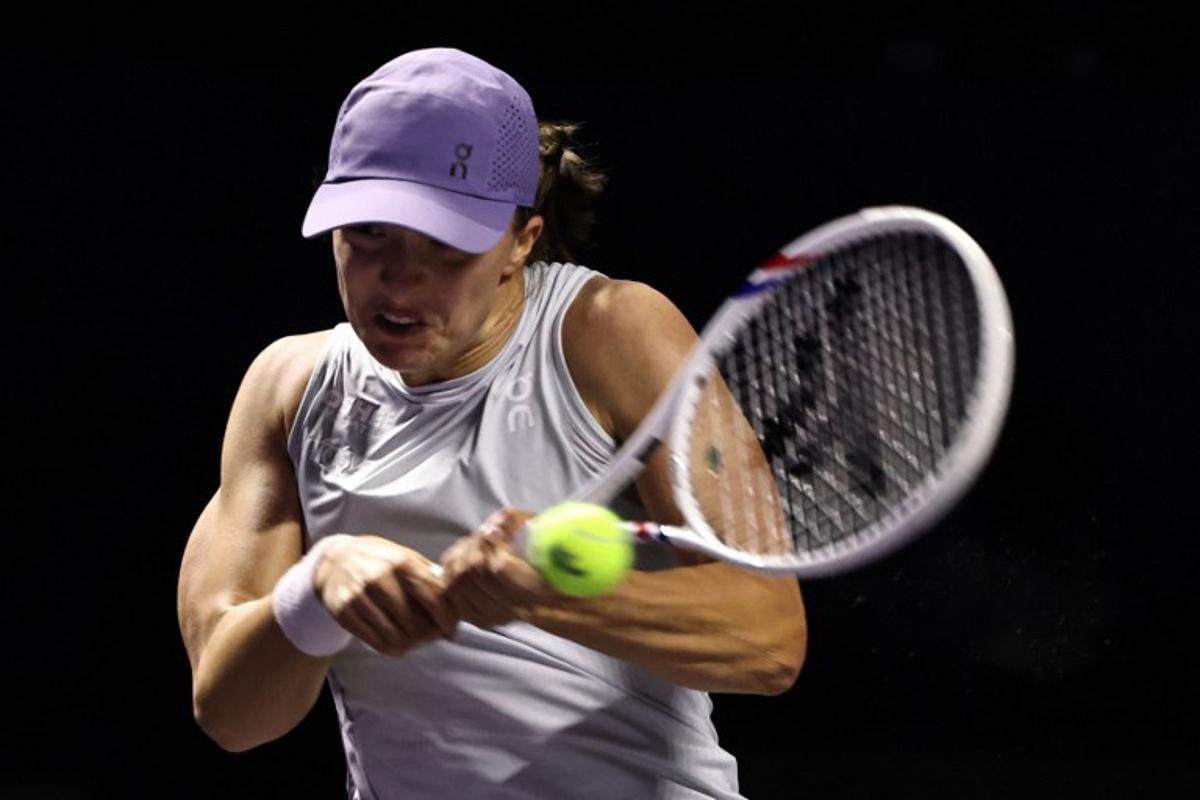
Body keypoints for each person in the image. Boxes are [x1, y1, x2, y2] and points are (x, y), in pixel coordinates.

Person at [177, 47, 806, 799]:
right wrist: (315, 589)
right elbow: (231, 715)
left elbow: (770, 639)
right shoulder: (289, 387)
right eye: (369, 232)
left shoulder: (609, 333)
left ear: (521, 241)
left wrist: (543, 597)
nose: (399, 279)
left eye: (445, 246)